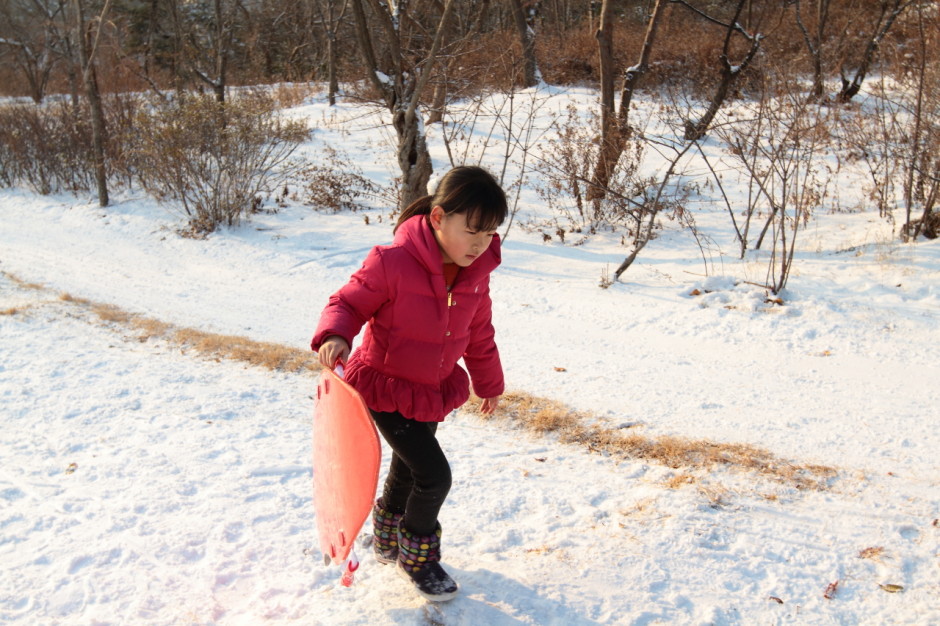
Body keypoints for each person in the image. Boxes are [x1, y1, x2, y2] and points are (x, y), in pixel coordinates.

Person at [311, 165, 508, 602]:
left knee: (407, 470)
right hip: (385, 387)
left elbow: (479, 333)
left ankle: (386, 537)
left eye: (490, 232)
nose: (480, 243)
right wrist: (337, 335)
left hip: (431, 390)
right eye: (472, 230)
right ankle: (417, 555)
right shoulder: (392, 262)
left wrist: (488, 383)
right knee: (434, 476)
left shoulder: (475, 274)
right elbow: (347, 301)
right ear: (438, 219)